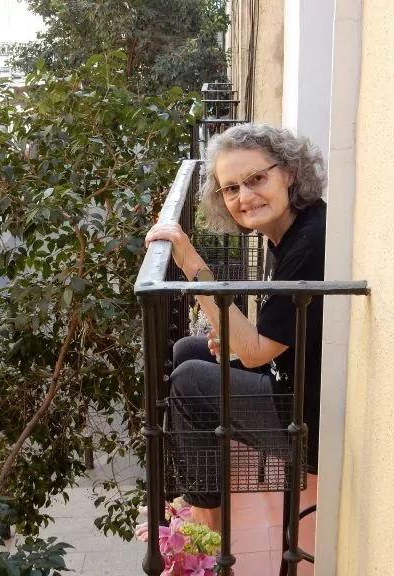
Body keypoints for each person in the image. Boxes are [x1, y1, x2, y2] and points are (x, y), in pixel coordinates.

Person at [144, 123, 327, 530]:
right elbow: (272, 338)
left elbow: (258, 350)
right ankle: (196, 491)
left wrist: (191, 262)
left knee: (190, 381)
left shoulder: (310, 242)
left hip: (309, 420)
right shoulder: (290, 229)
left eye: (256, 179)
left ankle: (207, 535)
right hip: (292, 376)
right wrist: (237, 343)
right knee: (187, 351)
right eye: (231, 188)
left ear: (290, 173)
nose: (244, 197)